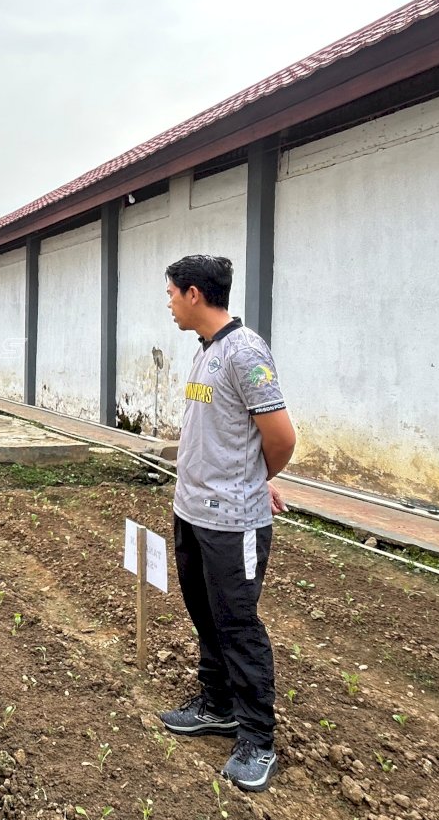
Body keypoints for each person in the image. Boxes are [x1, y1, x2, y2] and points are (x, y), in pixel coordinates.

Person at [156, 254, 297, 794]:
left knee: (237, 624)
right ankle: (216, 705)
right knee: (205, 613)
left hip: (232, 521)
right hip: (192, 511)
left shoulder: (245, 352)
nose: (168, 303)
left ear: (194, 294)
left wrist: (256, 477)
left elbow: (281, 436)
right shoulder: (206, 352)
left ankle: (257, 737)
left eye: (171, 294)